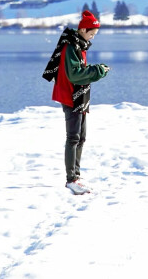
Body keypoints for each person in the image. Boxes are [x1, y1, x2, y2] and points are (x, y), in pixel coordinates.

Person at [42, 10, 109, 195]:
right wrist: (98, 71)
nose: (92, 37)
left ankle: (76, 176)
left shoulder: (79, 44)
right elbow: (75, 74)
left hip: (78, 96)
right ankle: (71, 179)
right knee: (73, 137)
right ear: (82, 30)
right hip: (70, 96)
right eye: (91, 33)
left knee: (81, 137)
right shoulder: (71, 47)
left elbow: (78, 71)